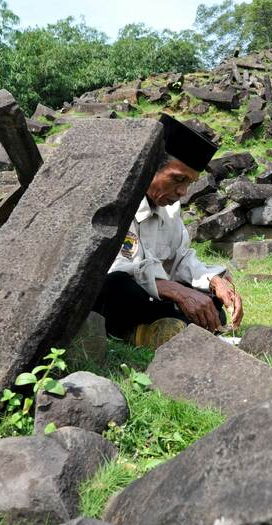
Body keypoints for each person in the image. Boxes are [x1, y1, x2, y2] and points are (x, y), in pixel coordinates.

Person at [93, 114, 244, 349]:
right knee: (116, 287)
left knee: (212, 304)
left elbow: (180, 258)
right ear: (150, 168)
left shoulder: (171, 208)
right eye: (178, 179)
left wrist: (214, 280)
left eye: (189, 183)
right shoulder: (115, 203)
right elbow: (115, 268)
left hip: (157, 297)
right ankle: (143, 331)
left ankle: (160, 330)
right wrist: (177, 292)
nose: (183, 191)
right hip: (125, 294)